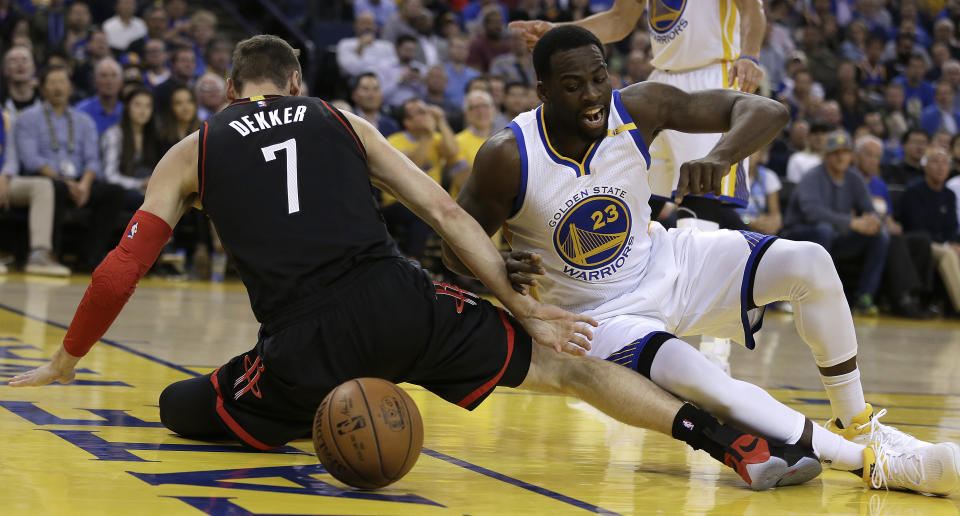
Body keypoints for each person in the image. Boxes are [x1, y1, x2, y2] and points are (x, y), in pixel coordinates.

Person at [8, 34, 822, 493]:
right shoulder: (339, 119)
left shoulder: (193, 149)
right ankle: (731, 445)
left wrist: (66, 359)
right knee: (564, 372)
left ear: (230, 90)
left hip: (300, 345)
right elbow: (441, 212)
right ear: (296, 82)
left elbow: (121, 268)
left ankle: (309, 411)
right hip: (403, 300)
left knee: (182, 405)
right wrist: (522, 304)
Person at [442, 26, 959, 496]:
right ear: (544, 92)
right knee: (702, 378)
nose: (594, 95)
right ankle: (872, 464)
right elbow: (453, 247)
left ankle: (859, 421)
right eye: (574, 85)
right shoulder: (508, 155)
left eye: (599, 77)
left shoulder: (638, 107)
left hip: (668, 260)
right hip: (597, 315)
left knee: (810, 262)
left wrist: (720, 156)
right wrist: (497, 262)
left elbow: (767, 110)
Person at [510, 0, 767, 371]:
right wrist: (560, 33)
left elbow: (752, 8)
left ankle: (715, 356)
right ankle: (631, 333)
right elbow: (619, 20)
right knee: (636, 200)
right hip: (660, 79)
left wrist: (751, 55)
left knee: (703, 207)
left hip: (713, 74)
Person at [15, 65, 124, 270]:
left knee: (114, 193)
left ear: (70, 87)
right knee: (55, 188)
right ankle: (52, 254)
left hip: (80, 179)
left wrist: (84, 184)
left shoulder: (84, 120)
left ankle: (90, 258)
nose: (58, 88)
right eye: (52, 83)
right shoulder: (28, 118)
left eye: (62, 82)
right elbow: (32, 160)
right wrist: (66, 182)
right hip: (47, 177)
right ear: (43, 89)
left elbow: (93, 160)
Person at [783, 131, 890, 315]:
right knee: (823, 230)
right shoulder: (813, 176)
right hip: (799, 235)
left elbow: (870, 209)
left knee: (880, 236)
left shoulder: (854, 178)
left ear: (851, 156)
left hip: (834, 237)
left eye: (845, 152)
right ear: (827, 155)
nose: (841, 157)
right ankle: (815, 296)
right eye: (836, 152)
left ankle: (865, 297)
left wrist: (874, 222)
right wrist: (852, 223)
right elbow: (813, 213)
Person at [897, 147, 960, 315]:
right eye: (935, 161)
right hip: (920, 244)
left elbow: (952, 227)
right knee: (948, 254)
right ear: (925, 166)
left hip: (943, 244)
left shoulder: (949, 195)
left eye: (945, 162)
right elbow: (917, 226)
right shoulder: (914, 192)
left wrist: (953, 242)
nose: (940, 167)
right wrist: (948, 244)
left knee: (952, 251)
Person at [101, 87, 160, 211]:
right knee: (156, 205)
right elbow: (109, 176)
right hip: (121, 192)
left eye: (147, 106)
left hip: (148, 191)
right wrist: (140, 184)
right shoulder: (114, 135)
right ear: (127, 107)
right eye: (137, 105)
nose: (143, 111)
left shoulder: (153, 135)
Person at [75, 58, 123, 135]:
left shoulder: (126, 112)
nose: (109, 81)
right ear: (95, 81)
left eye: (114, 76)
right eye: (104, 76)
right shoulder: (81, 111)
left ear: (121, 82)